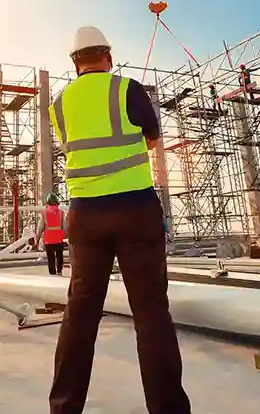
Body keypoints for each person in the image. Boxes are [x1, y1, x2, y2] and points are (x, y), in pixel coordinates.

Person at [48, 25, 190, 414]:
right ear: (107, 56)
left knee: (79, 313)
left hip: (85, 215)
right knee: (151, 313)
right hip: (134, 211)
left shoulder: (58, 103)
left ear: (74, 63)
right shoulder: (127, 88)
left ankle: (63, 408)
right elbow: (152, 137)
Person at [37, 192, 67, 276]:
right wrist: (67, 236)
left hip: (48, 239)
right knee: (59, 255)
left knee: (51, 257)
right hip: (59, 238)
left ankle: (52, 272)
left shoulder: (44, 213)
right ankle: (59, 270)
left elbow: (40, 227)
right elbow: (64, 226)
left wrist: (37, 238)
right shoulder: (61, 213)